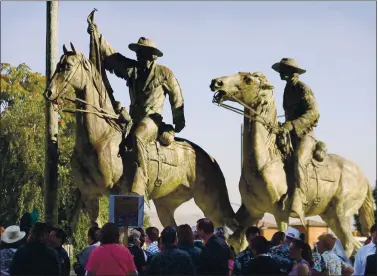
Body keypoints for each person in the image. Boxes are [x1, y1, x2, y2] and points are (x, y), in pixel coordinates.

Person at [87, 22, 186, 200]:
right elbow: (114, 57)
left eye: (143, 52)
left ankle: (142, 178)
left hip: (152, 120)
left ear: (152, 56)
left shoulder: (164, 73)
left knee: (139, 137)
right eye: (138, 52)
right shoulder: (133, 70)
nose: (139, 55)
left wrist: (178, 122)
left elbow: (176, 96)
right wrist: (97, 37)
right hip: (133, 118)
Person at [272, 58, 320, 225]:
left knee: (299, 160)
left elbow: (313, 113)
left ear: (292, 72)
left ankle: (300, 198)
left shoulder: (302, 88)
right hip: (290, 135)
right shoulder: (287, 89)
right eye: (280, 70)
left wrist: (292, 124)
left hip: (305, 134)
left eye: (283, 70)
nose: (280, 73)